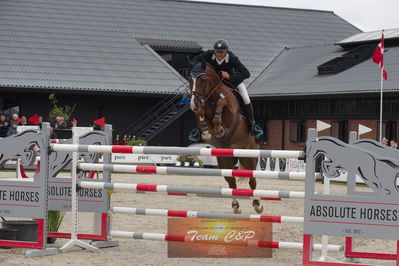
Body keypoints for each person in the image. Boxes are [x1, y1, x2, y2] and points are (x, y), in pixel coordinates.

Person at [192, 39, 262, 137]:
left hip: (233, 82)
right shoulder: (209, 54)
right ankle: (198, 129)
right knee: (203, 98)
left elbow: (246, 73)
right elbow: (195, 59)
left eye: (221, 52)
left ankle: (253, 125)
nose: (219, 54)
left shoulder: (233, 59)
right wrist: (203, 67)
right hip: (215, 83)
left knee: (246, 99)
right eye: (217, 51)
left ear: (226, 51)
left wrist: (229, 76)